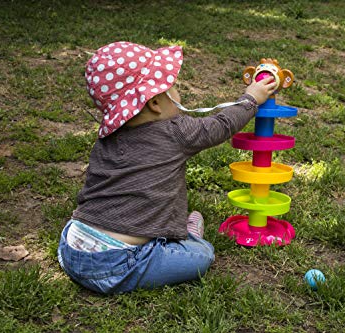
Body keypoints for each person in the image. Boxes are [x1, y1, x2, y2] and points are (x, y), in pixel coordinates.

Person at [57, 41, 277, 294]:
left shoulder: (107, 137)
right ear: (154, 103)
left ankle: (157, 238)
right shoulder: (175, 133)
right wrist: (251, 99)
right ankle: (187, 236)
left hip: (72, 247)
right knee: (202, 256)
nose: (178, 91)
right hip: (118, 263)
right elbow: (221, 125)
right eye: (173, 86)